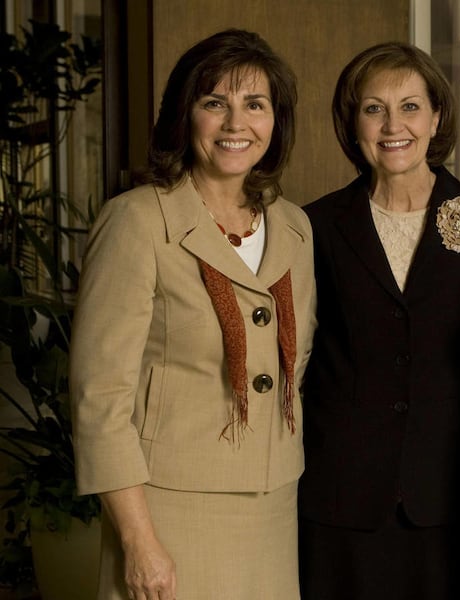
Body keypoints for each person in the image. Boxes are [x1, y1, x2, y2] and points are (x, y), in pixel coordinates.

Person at [70, 29, 316, 600]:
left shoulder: (295, 227)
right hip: (166, 512)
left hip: (274, 506)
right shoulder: (136, 221)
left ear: (275, 120)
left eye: (254, 104)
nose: (236, 124)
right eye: (215, 103)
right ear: (186, 115)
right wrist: (137, 540)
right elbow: (99, 398)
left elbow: (296, 367)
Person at [298, 42, 460, 600]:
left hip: (456, 495)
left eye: (410, 107)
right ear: (354, 123)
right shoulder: (312, 227)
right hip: (341, 498)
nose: (393, 126)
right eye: (374, 109)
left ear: (436, 117)